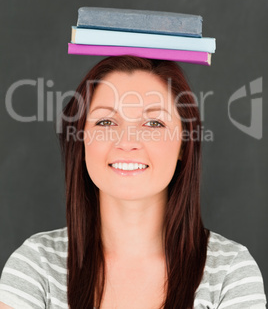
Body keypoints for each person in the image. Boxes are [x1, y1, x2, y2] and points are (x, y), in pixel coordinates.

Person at [0, 55, 266, 309]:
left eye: (153, 123)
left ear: (184, 145)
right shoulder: (36, 265)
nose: (127, 142)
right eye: (106, 121)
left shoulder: (230, 272)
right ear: (81, 141)